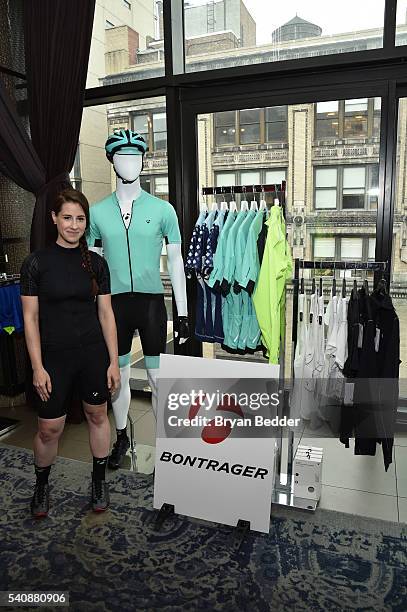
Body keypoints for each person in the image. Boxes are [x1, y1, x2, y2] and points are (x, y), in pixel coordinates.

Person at [88, 129, 189, 470]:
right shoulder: (98, 212)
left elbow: (176, 261)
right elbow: (91, 262)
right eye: (122, 157)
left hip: (150, 306)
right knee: (118, 377)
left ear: (144, 162)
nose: (130, 163)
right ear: (112, 162)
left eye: (135, 157)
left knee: (160, 379)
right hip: (114, 305)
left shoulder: (163, 210)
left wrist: (183, 311)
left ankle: (167, 446)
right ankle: (122, 438)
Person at [20, 188, 120, 518]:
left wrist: (114, 362)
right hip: (53, 358)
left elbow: (106, 314)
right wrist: (37, 366)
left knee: (97, 416)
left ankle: (98, 480)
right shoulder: (35, 264)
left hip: (92, 354)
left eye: (80, 219)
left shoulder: (96, 264)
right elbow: (30, 319)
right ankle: (41, 484)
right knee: (50, 429)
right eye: (67, 218)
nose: (74, 225)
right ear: (54, 219)